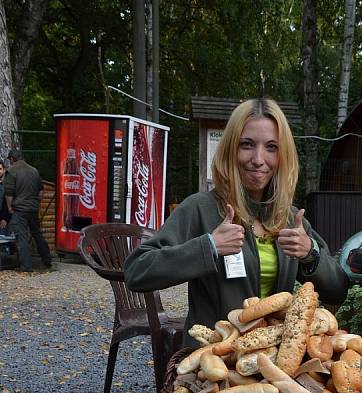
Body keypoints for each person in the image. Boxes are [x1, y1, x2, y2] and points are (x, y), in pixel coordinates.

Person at [124, 98, 349, 347]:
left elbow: (338, 290)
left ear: (282, 155)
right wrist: (208, 246)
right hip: (214, 362)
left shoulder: (288, 218)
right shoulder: (201, 209)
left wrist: (310, 254)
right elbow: (137, 271)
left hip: (270, 364)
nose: (258, 159)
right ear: (231, 148)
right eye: (247, 145)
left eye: (271, 147)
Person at [4, 149, 52, 271]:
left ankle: (26, 266)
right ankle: (47, 259)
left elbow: (9, 192)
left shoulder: (12, 171)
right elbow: (41, 190)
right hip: (33, 208)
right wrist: (36, 203)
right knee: (37, 234)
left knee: (22, 237)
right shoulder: (34, 170)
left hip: (19, 210)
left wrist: (10, 207)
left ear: (12, 159)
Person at [0, 160, 10, 230]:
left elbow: (10, 203)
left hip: (4, 221)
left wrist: (5, 219)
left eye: (0, 169)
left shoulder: (9, 185)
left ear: (4, 170)